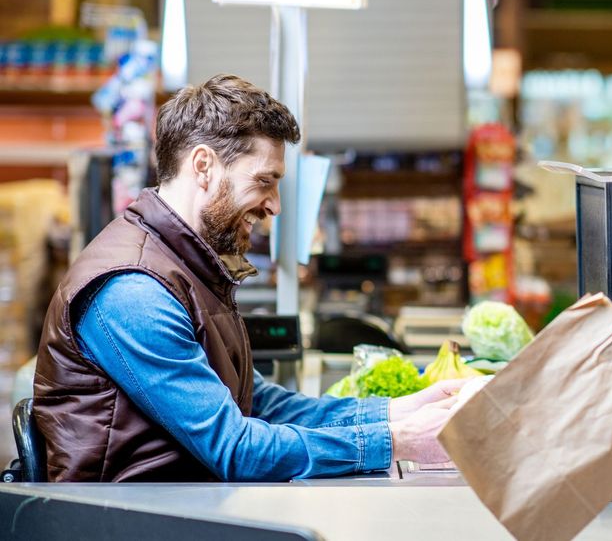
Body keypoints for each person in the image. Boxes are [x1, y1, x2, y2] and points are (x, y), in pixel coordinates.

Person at [34, 74, 462, 482]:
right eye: (264, 181)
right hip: (132, 522)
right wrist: (397, 442)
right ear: (204, 166)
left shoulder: (190, 270)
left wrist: (397, 413)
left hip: (184, 505)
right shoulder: (132, 290)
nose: (274, 206)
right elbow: (236, 449)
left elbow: (260, 405)